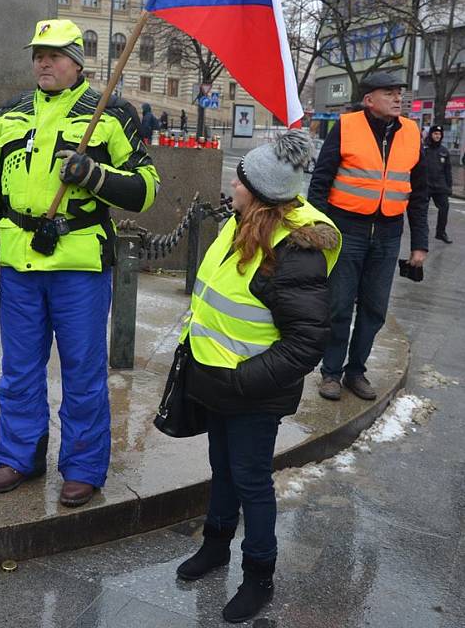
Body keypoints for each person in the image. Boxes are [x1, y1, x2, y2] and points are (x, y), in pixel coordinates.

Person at [0, 19, 159, 507]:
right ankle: (20, 457)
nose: (43, 62)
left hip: (80, 267)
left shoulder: (110, 112)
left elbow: (146, 189)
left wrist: (95, 176)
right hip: (19, 266)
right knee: (19, 371)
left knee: (82, 371)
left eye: (54, 54)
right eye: (38, 53)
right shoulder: (9, 114)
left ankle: (83, 467)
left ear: (77, 61)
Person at [175, 131, 341, 623]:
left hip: (251, 390)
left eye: (240, 178)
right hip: (218, 381)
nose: (232, 182)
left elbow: (308, 341)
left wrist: (245, 381)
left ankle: (258, 576)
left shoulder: (294, 251)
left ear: (262, 192)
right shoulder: (242, 223)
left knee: (251, 480)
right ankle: (216, 547)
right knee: (223, 469)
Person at [308, 70, 428, 402]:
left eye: (399, 92)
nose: (397, 98)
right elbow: (320, 182)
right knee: (339, 306)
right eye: (389, 92)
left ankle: (355, 371)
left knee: (374, 308)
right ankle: (331, 372)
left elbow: (420, 193)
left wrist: (420, 244)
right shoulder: (346, 127)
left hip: (389, 233)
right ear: (369, 99)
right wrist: (319, 226)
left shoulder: (411, 133)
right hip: (347, 230)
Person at [424, 125, 453, 244]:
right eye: (435, 134)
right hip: (425, 185)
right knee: (422, 211)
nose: (437, 136)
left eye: (439, 134)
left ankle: (441, 232)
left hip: (440, 186)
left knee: (444, 208)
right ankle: (422, 233)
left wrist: (449, 187)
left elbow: (448, 170)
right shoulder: (424, 149)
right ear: (431, 134)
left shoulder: (444, 151)